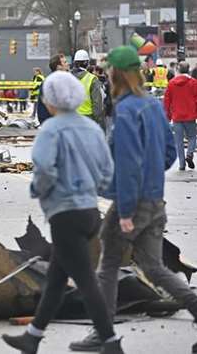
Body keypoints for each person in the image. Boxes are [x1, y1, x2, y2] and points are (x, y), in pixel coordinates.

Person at [70, 46, 197, 354]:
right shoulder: (151, 105)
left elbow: (126, 165)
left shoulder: (126, 110)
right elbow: (169, 151)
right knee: (154, 267)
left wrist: (125, 210)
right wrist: (152, 177)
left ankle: (103, 332)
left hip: (133, 202)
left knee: (109, 263)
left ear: (117, 74)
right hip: (155, 198)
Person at [2, 71, 122, 354]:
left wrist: (39, 190)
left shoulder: (51, 130)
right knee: (56, 277)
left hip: (64, 212)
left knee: (85, 280)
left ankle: (110, 342)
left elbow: (43, 168)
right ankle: (32, 336)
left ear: (51, 100)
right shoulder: (92, 129)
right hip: (90, 211)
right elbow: (107, 171)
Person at [164, 61, 197, 170]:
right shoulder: (194, 83)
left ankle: (182, 164)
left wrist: (168, 116)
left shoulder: (171, 83)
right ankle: (190, 153)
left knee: (179, 141)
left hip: (177, 116)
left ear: (178, 70)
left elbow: (167, 101)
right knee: (192, 137)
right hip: (190, 116)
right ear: (188, 70)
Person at [72, 50, 105, 128]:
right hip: (88, 118)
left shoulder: (67, 77)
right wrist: (98, 120)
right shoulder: (92, 79)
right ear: (86, 63)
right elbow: (97, 103)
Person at [37, 54, 69, 125]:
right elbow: (44, 106)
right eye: (65, 62)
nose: (68, 64)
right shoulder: (49, 83)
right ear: (58, 67)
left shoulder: (65, 80)